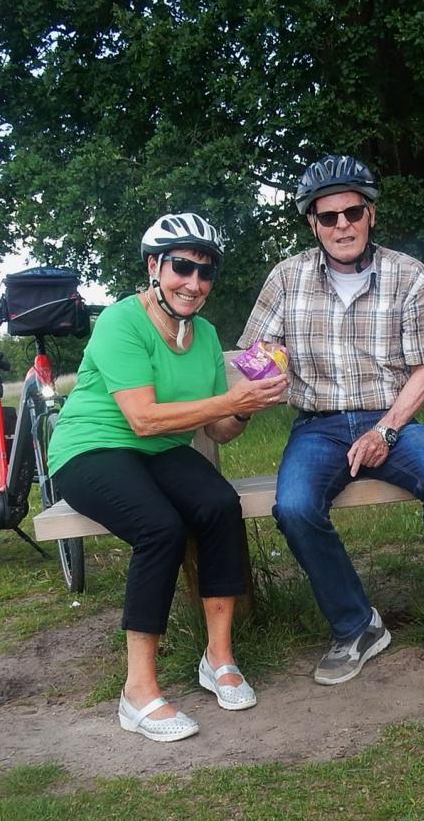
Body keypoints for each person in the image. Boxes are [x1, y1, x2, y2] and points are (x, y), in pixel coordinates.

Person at [48, 213, 288, 741]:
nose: (194, 283)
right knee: (160, 528)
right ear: (155, 267)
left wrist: (247, 406)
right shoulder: (120, 321)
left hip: (159, 450)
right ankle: (137, 693)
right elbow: (142, 418)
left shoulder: (205, 334)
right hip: (91, 449)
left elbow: (219, 431)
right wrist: (229, 399)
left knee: (219, 504)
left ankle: (219, 659)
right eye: (182, 267)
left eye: (206, 273)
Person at [239, 154, 424, 686]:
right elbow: (257, 351)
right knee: (294, 507)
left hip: (392, 417)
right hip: (317, 425)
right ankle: (356, 625)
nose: (342, 225)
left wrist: (385, 429)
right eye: (329, 216)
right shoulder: (287, 278)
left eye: (352, 212)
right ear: (313, 223)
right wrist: (264, 374)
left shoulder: (410, 276)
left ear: (370, 215)